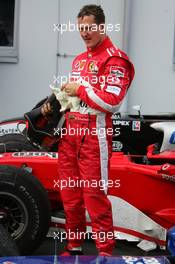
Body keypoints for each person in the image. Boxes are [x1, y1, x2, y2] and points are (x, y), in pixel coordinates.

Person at [42, 4, 134, 256]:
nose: (84, 33)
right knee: (70, 194)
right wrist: (54, 103)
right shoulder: (80, 60)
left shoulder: (116, 59)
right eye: (81, 28)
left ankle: (105, 252)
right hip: (70, 132)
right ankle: (74, 246)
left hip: (95, 135)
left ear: (102, 27)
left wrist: (80, 90)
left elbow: (112, 102)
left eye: (90, 28)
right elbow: (75, 101)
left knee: (95, 196)